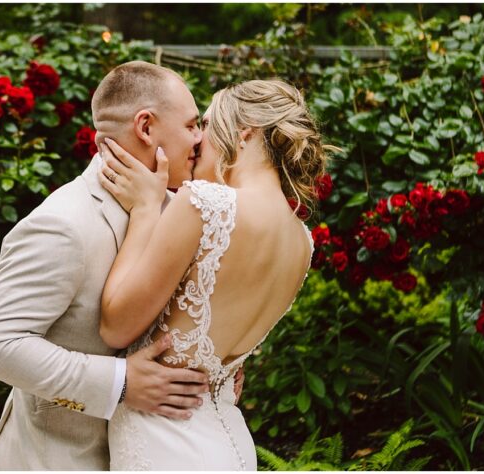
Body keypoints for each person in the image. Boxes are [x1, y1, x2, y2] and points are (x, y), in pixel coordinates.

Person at [0, 61, 216, 470]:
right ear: (145, 127)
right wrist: (119, 383)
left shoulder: (180, 213)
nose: (200, 138)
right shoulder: (62, 223)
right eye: (192, 125)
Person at [96, 78, 330, 470]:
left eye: (205, 125)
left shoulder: (205, 204)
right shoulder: (302, 241)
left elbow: (115, 327)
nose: (197, 142)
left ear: (245, 135)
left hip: (166, 442)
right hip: (230, 444)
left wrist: (144, 210)